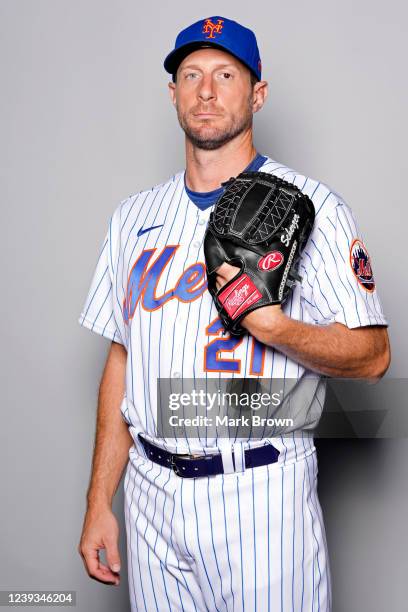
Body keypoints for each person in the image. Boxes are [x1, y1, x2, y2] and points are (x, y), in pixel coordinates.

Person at [77, 15, 390, 612]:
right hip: (150, 498)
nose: (207, 90)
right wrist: (99, 503)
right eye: (190, 75)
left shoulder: (312, 206)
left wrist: (276, 327)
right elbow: (122, 359)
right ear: (173, 94)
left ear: (258, 93)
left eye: (226, 74)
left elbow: (375, 358)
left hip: (260, 491)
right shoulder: (132, 218)